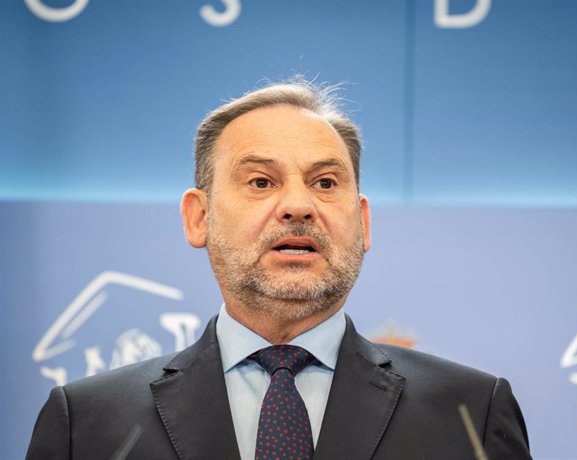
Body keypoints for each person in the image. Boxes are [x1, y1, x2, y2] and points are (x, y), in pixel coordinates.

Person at [27, 79, 531, 459]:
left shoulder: (471, 412)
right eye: (262, 182)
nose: (298, 205)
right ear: (198, 217)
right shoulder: (88, 422)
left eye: (326, 183)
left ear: (363, 220)